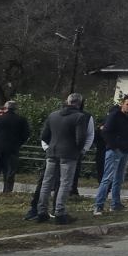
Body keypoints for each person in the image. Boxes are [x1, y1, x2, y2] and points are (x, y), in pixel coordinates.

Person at [32, 93, 93, 224]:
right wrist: (79, 150)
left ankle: (41, 211)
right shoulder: (80, 117)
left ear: (67, 101)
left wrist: (50, 147)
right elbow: (81, 138)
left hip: (52, 152)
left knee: (46, 183)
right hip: (69, 154)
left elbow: (44, 135)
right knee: (65, 183)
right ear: (80, 103)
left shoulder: (53, 115)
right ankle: (59, 212)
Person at [95, 94, 128, 214]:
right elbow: (105, 132)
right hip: (114, 150)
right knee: (107, 178)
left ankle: (115, 204)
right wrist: (114, 146)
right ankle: (99, 205)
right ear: (122, 103)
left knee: (119, 178)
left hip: (125, 150)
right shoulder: (114, 115)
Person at [0, 100, 30, 193]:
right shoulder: (21, 120)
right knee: (9, 173)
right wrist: (18, 144)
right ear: (16, 109)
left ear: (5, 108)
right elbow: (25, 135)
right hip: (12, 150)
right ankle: (7, 191)